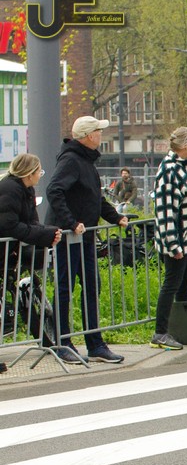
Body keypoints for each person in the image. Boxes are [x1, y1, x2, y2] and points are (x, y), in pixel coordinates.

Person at [45, 115, 127, 364]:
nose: (101, 135)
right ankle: (63, 342)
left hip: (85, 237)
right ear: (89, 136)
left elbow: (94, 198)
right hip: (69, 236)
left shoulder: (87, 161)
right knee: (65, 288)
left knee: (92, 286)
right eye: (99, 131)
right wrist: (70, 223)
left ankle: (95, 344)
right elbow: (53, 190)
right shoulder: (71, 159)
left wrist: (116, 217)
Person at [0, 154, 63, 369]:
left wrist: (48, 232)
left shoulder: (24, 190)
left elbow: (30, 222)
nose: (40, 176)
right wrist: (44, 234)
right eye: (39, 172)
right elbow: (9, 225)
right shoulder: (11, 190)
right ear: (29, 174)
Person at [149, 127, 187, 352]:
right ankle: (160, 332)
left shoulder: (182, 168)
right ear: (185, 145)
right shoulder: (170, 170)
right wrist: (173, 243)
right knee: (171, 284)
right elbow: (166, 210)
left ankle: (185, 329)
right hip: (178, 239)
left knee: (184, 283)